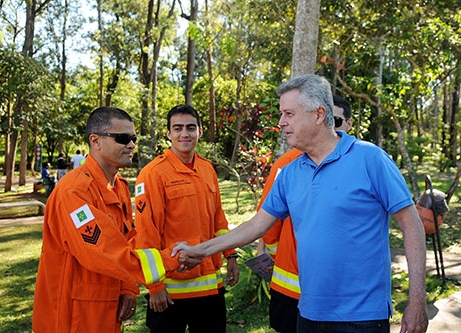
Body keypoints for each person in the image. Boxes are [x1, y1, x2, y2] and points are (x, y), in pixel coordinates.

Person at [174, 74, 428, 333]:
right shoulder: (291, 172)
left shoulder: (370, 159)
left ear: (318, 114)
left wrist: (417, 300)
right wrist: (201, 250)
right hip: (308, 314)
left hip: (362, 317)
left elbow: (412, 225)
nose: (281, 122)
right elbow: (255, 226)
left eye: (289, 114)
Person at [32, 106, 199, 332]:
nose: (131, 145)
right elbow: (104, 251)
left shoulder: (117, 186)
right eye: (122, 138)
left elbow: (128, 239)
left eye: (133, 138)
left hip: (106, 309)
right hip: (72, 315)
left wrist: (128, 289)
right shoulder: (74, 192)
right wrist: (171, 259)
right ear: (95, 141)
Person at [134, 104, 240, 333]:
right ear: (169, 134)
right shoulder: (153, 174)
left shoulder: (207, 169)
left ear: (200, 132)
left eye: (191, 128)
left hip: (210, 286)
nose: (185, 134)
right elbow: (146, 233)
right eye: (178, 128)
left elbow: (218, 219)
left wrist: (231, 255)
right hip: (171, 290)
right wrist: (155, 286)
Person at [256, 95, 353, 332]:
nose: (331, 127)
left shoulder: (362, 161)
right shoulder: (286, 165)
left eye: (337, 121)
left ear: (349, 124)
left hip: (339, 289)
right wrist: (277, 255)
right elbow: (267, 222)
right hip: (292, 286)